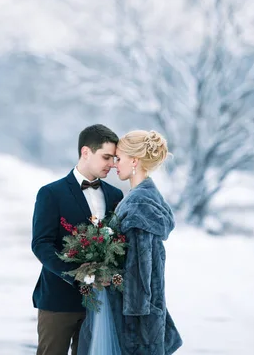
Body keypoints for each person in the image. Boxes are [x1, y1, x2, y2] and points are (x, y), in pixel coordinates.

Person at [31, 124, 124, 355]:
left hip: (101, 304)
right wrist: (77, 275)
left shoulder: (115, 195)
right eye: (106, 157)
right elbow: (41, 244)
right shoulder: (51, 193)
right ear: (85, 152)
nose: (112, 164)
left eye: (114, 158)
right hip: (58, 301)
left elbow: (120, 243)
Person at [107, 129, 183, 355]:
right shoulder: (140, 196)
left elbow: (140, 270)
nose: (114, 164)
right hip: (142, 309)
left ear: (134, 160)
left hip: (137, 315)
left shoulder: (140, 202)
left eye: (118, 159)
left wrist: (135, 327)